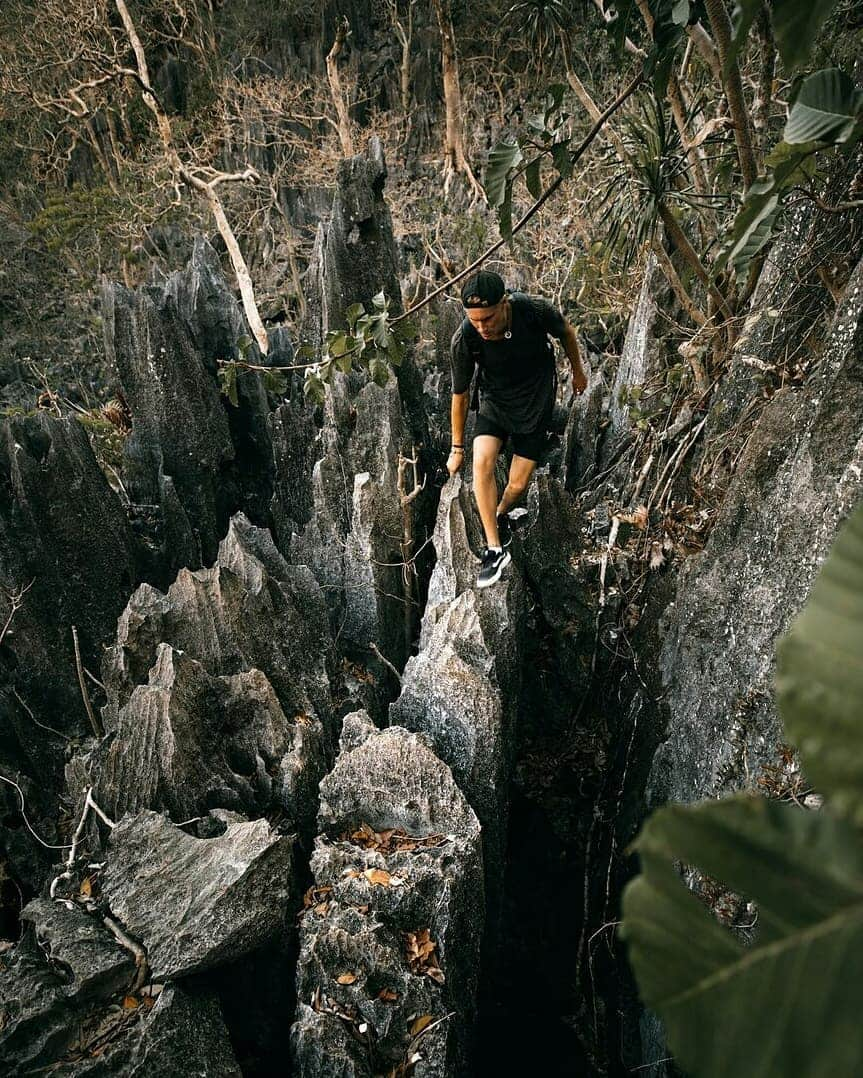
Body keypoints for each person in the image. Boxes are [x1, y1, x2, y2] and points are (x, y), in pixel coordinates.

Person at [447, 270, 588, 588]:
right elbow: (460, 395)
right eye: (475, 320)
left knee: (517, 485)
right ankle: (494, 549)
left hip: (535, 399)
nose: (482, 327)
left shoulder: (532, 310)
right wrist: (457, 448)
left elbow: (566, 333)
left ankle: (499, 511)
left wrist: (578, 372)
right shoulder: (465, 337)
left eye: (489, 318)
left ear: (505, 304)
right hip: (495, 400)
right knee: (481, 461)